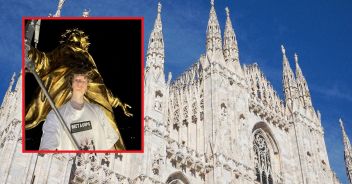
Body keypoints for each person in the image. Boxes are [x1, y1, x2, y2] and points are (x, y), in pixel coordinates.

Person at [25, 28, 131, 150]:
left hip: (95, 89)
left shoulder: (88, 56)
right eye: (71, 35)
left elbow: (103, 88)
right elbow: (45, 61)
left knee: (108, 125)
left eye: (76, 35)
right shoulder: (64, 49)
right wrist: (29, 52)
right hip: (69, 84)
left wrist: (118, 102)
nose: (73, 36)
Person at [39, 69, 119, 150]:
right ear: (71, 84)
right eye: (77, 80)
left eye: (84, 80)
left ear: (87, 85)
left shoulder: (98, 111)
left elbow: (110, 144)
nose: (80, 83)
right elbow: (48, 144)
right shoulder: (56, 115)